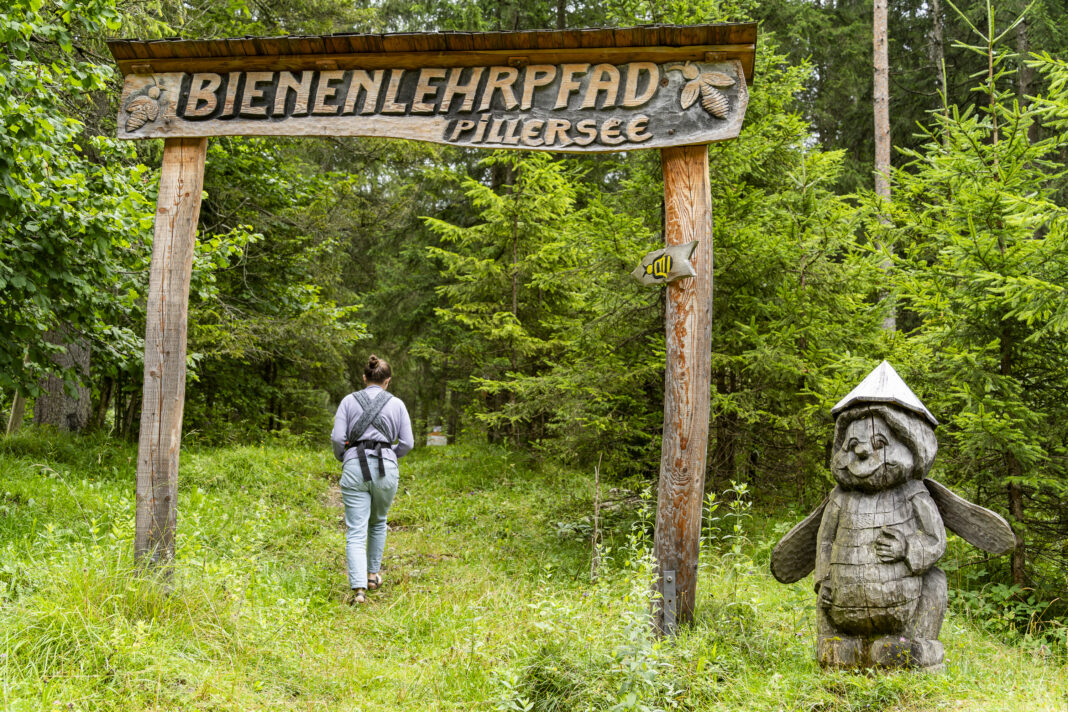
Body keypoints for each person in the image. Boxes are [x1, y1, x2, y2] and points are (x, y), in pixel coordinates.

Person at [331, 354, 414, 604]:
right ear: (387, 381)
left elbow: (337, 438)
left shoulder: (348, 401)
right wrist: (391, 455)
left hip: (354, 464)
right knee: (378, 522)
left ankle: (358, 590)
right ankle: (372, 575)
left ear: (364, 378)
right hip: (386, 467)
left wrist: (343, 457)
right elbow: (408, 443)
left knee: (356, 529)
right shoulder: (397, 404)